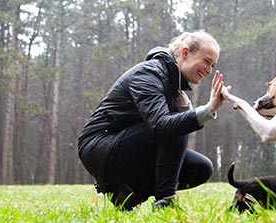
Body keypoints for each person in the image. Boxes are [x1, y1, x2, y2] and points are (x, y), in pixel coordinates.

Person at [78, 30, 226, 211]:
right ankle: (165, 200)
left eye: (213, 65)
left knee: (201, 167)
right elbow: (162, 126)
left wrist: (184, 109)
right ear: (185, 53)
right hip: (99, 146)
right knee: (173, 126)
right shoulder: (149, 74)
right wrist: (208, 109)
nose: (209, 70)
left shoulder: (172, 84)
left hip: (127, 145)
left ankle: (129, 194)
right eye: (206, 61)